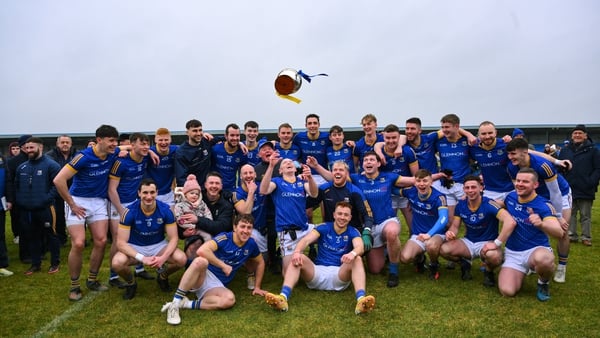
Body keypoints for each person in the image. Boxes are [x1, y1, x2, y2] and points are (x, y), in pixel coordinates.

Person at [265, 202, 375, 315]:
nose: (342, 217)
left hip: (339, 274)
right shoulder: (323, 227)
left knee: (357, 259)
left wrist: (352, 253)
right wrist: (297, 252)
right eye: (340, 214)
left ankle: (361, 301)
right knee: (299, 257)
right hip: (317, 273)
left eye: (346, 215)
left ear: (350, 217)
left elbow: (360, 247)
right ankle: (283, 298)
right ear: (334, 215)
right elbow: (306, 240)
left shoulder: (353, 231)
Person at [53, 124, 120, 301]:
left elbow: (128, 147)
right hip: (78, 201)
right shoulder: (83, 157)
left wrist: (149, 151)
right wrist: (72, 204)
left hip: (98, 201)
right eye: (111, 140)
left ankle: (92, 279)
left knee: (101, 240)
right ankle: (74, 286)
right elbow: (59, 180)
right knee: (79, 243)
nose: (115, 144)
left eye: (116, 140)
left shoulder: (112, 152)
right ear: (99, 140)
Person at [160, 214, 266, 325]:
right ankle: (175, 304)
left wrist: (257, 287)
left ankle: (186, 304)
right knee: (201, 261)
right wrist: (222, 265)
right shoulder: (225, 238)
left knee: (229, 300)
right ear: (235, 227)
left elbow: (260, 262)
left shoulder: (251, 244)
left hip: (217, 284)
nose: (246, 231)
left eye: (249, 228)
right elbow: (202, 251)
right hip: (202, 275)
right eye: (242, 226)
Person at [506, 138, 572, 283]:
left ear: (525, 152)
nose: (510, 157)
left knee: (562, 231)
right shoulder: (511, 167)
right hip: (535, 195)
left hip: (559, 193)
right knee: (530, 225)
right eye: (508, 154)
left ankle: (562, 266)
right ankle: (532, 258)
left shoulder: (542, 165)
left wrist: (558, 216)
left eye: (513, 154)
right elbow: (518, 190)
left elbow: (555, 192)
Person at [111, 179, 187, 300]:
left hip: (158, 245)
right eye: (145, 193)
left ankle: (163, 276)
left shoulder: (166, 210)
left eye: (152, 192)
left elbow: (174, 239)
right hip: (135, 246)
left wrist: (163, 258)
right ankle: (131, 283)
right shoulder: (129, 212)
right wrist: (142, 258)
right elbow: (120, 243)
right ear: (139, 193)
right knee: (117, 263)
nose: (149, 196)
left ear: (157, 193)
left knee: (181, 259)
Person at [349, 151, 414, 287]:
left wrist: (439, 176)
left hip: (387, 220)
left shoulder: (388, 177)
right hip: (368, 226)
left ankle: (394, 271)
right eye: (365, 160)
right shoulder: (356, 179)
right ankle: (386, 252)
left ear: (378, 164)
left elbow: (415, 180)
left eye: (372, 160)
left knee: (391, 233)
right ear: (362, 164)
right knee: (375, 270)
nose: (368, 162)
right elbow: (336, 176)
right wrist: (316, 167)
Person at [498, 168, 564, 301]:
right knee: (507, 291)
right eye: (518, 180)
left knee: (544, 261)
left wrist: (541, 224)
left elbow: (559, 232)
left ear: (535, 185)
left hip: (535, 250)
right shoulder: (511, 197)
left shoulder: (543, 205)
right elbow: (497, 204)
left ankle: (543, 282)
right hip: (513, 252)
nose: (520, 184)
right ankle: (521, 270)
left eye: (525, 181)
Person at [440, 175, 516, 286]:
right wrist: (451, 233)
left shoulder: (489, 204)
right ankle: (464, 263)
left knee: (494, 257)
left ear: (481, 188)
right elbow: (455, 226)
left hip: (487, 243)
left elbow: (510, 222)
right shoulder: (460, 205)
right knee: (443, 249)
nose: (470, 191)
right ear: (464, 189)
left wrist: (496, 243)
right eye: (467, 188)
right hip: (468, 242)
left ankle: (488, 271)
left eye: (473, 187)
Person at [259, 152, 318, 274]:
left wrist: (311, 178)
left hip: (305, 229)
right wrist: (271, 166)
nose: (288, 163)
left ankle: (322, 261)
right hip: (287, 233)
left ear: (295, 168)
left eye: (290, 162)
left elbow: (314, 193)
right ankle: (282, 258)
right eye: (284, 162)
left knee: (326, 233)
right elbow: (263, 190)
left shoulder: (302, 182)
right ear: (280, 170)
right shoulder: (277, 182)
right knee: (288, 275)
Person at [108, 132, 153, 286]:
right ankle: (113, 275)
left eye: (148, 144)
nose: (146, 147)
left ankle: (139, 269)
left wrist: (151, 151)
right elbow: (111, 189)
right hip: (118, 203)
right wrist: (121, 210)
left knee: (138, 235)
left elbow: (149, 150)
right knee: (118, 239)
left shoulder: (145, 156)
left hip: (135, 202)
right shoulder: (121, 162)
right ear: (132, 145)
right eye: (143, 144)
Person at [15, 137, 62, 275]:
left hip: (46, 208)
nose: (29, 150)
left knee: (51, 235)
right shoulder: (22, 167)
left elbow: (57, 186)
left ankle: (55, 263)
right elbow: (16, 185)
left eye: (32, 147)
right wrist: (21, 200)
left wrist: (45, 199)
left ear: (40, 147)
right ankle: (35, 264)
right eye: (27, 148)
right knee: (32, 236)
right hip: (27, 210)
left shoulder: (52, 165)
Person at [397, 169, 448, 280]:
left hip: (436, 234)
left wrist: (429, 234)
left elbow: (444, 218)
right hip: (418, 235)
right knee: (404, 258)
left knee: (431, 245)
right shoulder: (410, 192)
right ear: (414, 182)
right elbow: (391, 189)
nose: (421, 184)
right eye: (418, 181)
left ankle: (434, 265)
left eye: (425, 181)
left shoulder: (439, 197)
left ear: (431, 182)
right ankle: (420, 259)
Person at [306, 160, 374, 236]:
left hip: (351, 231)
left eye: (341, 170)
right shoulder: (324, 189)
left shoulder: (354, 191)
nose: (337, 172)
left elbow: (367, 214)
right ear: (332, 173)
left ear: (346, 173)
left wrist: (367, 230)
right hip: (330, 230)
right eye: (335, 170)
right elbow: (306, 204)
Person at [559, 124, 600, 246]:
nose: (577, 135)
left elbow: (598, 168)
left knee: (585, 215)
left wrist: (591, 181)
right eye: (575, 133)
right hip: (569, 187)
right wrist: (563, 182)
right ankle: (571, 235)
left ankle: (586, 237)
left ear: (585, 135)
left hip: (586, 187)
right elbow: (559, 167)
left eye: (580, 133)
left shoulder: (593, 150)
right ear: (572, 135)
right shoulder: (565, 150)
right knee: (570, 213)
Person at [180, 172, 235, 259]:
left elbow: (221, 227)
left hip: (219, 236)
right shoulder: (195, 198)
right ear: (205, 185)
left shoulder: (226, 205)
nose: (214, 186)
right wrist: (182, 233)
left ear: (221, 186)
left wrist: (198, 220)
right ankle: (191, 269)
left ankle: (211, 268)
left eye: (217, 183)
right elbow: (180, 217)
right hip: (197, 233)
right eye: (211, 183)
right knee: (193, 245)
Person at [232, 164, 268, 288]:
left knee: (264, 260)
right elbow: (246, 213)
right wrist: (251, 192)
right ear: (240, 176)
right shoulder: (237, 193)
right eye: (245, 173)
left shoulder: (262, 187)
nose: (248, 176)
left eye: (250, 173)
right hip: (249, 229)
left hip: (264, 228)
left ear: (255, 174)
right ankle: (250, 274)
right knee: (249, 243)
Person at [469, 121, 514, 201]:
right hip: (491, 191)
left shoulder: (506, 145)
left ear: (495, 133)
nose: (487, 136)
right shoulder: (474, 148)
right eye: (483, 134)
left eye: (490, 133)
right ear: (478, 135)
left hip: (511, 190)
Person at [45, 135, 77, 246]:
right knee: (58, 217)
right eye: (62, 142)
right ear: (57, 144)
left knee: (77, 214)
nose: (65, 144)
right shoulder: (49, 156)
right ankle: (60, 238)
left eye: (67, 142)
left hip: (74, 191)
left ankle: (77, 238)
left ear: (71, 144)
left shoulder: (77, 155)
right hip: (57, 191)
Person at [5, 134, 31, 261]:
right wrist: (12, 199)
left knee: (37, 226)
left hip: (36, 199)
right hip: (20, 200)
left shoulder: (37, 159)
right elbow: (9, 181)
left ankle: (39, 251)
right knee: (23, 228)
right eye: (27, 144)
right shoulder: (12, 162)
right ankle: (25, 255)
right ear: (21, 146)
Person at [174, 119, 215, 187]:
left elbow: (225, 139)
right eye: (195, 131)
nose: (198, 133)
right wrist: (193, 192)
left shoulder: (206, 142)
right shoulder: (181, 152)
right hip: (192, 191)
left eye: (200, 130)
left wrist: (239, 143)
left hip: (207, 189)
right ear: (187, 132)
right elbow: (181, 179)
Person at [174, 174, 213, 244]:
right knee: (191, 243)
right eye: (192, 193)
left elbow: (208, 213)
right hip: (189, 229)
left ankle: (207, 252)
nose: (195, 195)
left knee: (208, 237)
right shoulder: (180, 206)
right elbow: (179, 219)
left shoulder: (202, 204)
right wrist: (192, 226)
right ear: (185, 194)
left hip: (202, 227)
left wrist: (207, 223)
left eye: (197, 194)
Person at [211, 123, 247, 191]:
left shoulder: (242, 152)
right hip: (215, 189)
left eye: (237, 135)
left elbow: (243, 174)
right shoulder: (215, 149)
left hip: (231, 191)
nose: (235, 138)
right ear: (226, 136)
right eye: (232, 135)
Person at [147, 127, 178, 207]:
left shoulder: (176, 150)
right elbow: (134, 147)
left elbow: (191, 146)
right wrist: (149, 151)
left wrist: (203, 135)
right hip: (151, 194)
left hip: (168, 194)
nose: (163, 142)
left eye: (166, 140)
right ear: (155, 140)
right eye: (160, 140)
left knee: (171, 218)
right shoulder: (148, 152)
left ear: (170, 140)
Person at [0, 153, 13, 276]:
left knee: (0, 235)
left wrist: (9, 199)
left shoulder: (2, 159)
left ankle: (2, 265)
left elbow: (8, 180)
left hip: (0, 204)